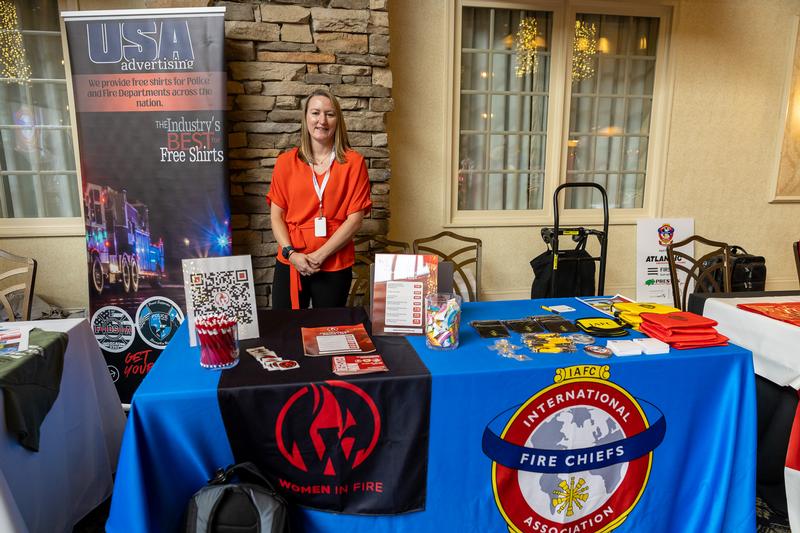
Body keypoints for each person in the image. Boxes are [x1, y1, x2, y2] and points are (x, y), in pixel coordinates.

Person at [267, 88, 372, 309]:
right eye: (315, 113)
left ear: (338, 120)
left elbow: (355, 220)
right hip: (291, 260)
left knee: (328, 327)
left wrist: (319, 256)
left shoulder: (354, 163)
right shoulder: (285, 162)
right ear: (306, 117)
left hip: (334, 262)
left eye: (329, 114)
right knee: (286, 325)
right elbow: (276, 216)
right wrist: (291, 253)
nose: (322, 120)